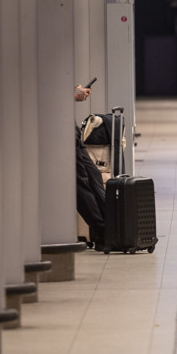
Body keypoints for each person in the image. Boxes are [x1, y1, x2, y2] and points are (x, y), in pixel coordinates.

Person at [74, 84, 107, 246]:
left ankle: (110, 224)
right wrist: (72, 93)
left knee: (93, 174)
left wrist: (74, 90)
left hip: (72, 133)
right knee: (81, 184)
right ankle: (103, 231)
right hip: (60, 131)